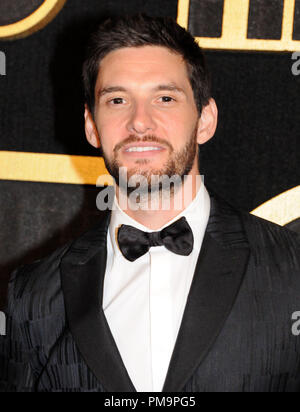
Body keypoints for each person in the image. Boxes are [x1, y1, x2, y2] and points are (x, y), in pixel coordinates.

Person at [1, 14, 300, 393]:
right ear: (92, 126)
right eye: (118, 99)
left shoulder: (292, 269)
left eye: (164, 98)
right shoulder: (33, 294)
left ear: (205, 120)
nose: (140, 122)